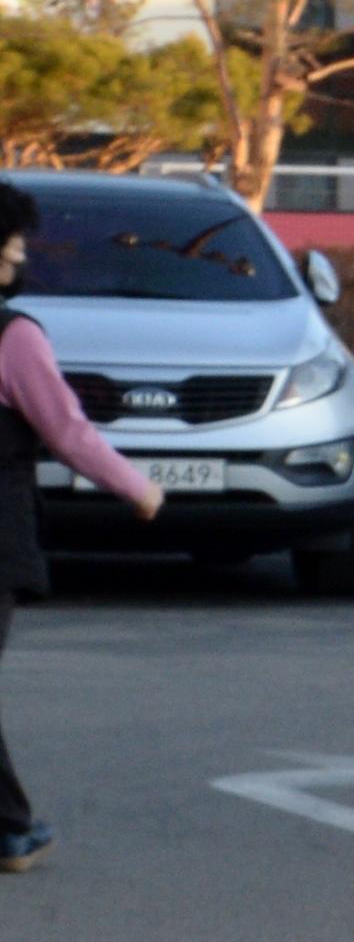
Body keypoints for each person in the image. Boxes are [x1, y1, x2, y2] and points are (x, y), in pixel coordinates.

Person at [0, 183, 168, 872]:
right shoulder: (13, 337)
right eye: (11, 242)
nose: (18, 255)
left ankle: (8, 827)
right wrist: (138, 487)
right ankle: (9, 828)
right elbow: (66, 430)